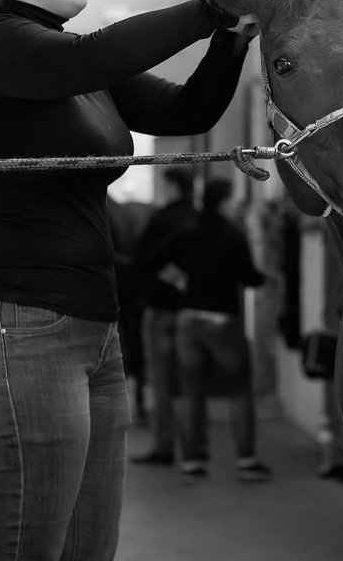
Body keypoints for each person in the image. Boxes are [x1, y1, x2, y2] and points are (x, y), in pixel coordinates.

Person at [0, 0, 256, 561]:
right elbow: (88, 55)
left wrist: (232, 37)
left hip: (93, 335)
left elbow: (184, 114)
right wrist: (206, 9)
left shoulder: (80, 67)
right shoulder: (0, 47)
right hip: (17, 329)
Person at [153, 177, 270, 483]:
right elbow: (251, 278)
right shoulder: (233, 234)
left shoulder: (187, 229)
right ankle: (246, 461)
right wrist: (263, 270)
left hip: (189, 320)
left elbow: (154, 261)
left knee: (191, 393)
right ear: (226, 201)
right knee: (240, 391)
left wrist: (181, 282)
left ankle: (190, 463)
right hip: (223, 324)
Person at [128, 166, 197, 465]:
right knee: (190, 382)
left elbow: (141, 260)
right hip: (192, 310)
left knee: (162, 382)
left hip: (159, 309)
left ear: (171, 186)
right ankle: (195, 447)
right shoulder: (197, 218)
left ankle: (165, 445)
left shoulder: (160, 220)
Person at [106, 196, 154, 424]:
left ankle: (131, 398)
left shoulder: (108, 210)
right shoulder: (121, 211)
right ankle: (138, 398)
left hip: (118, 288)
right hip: (131, 290)